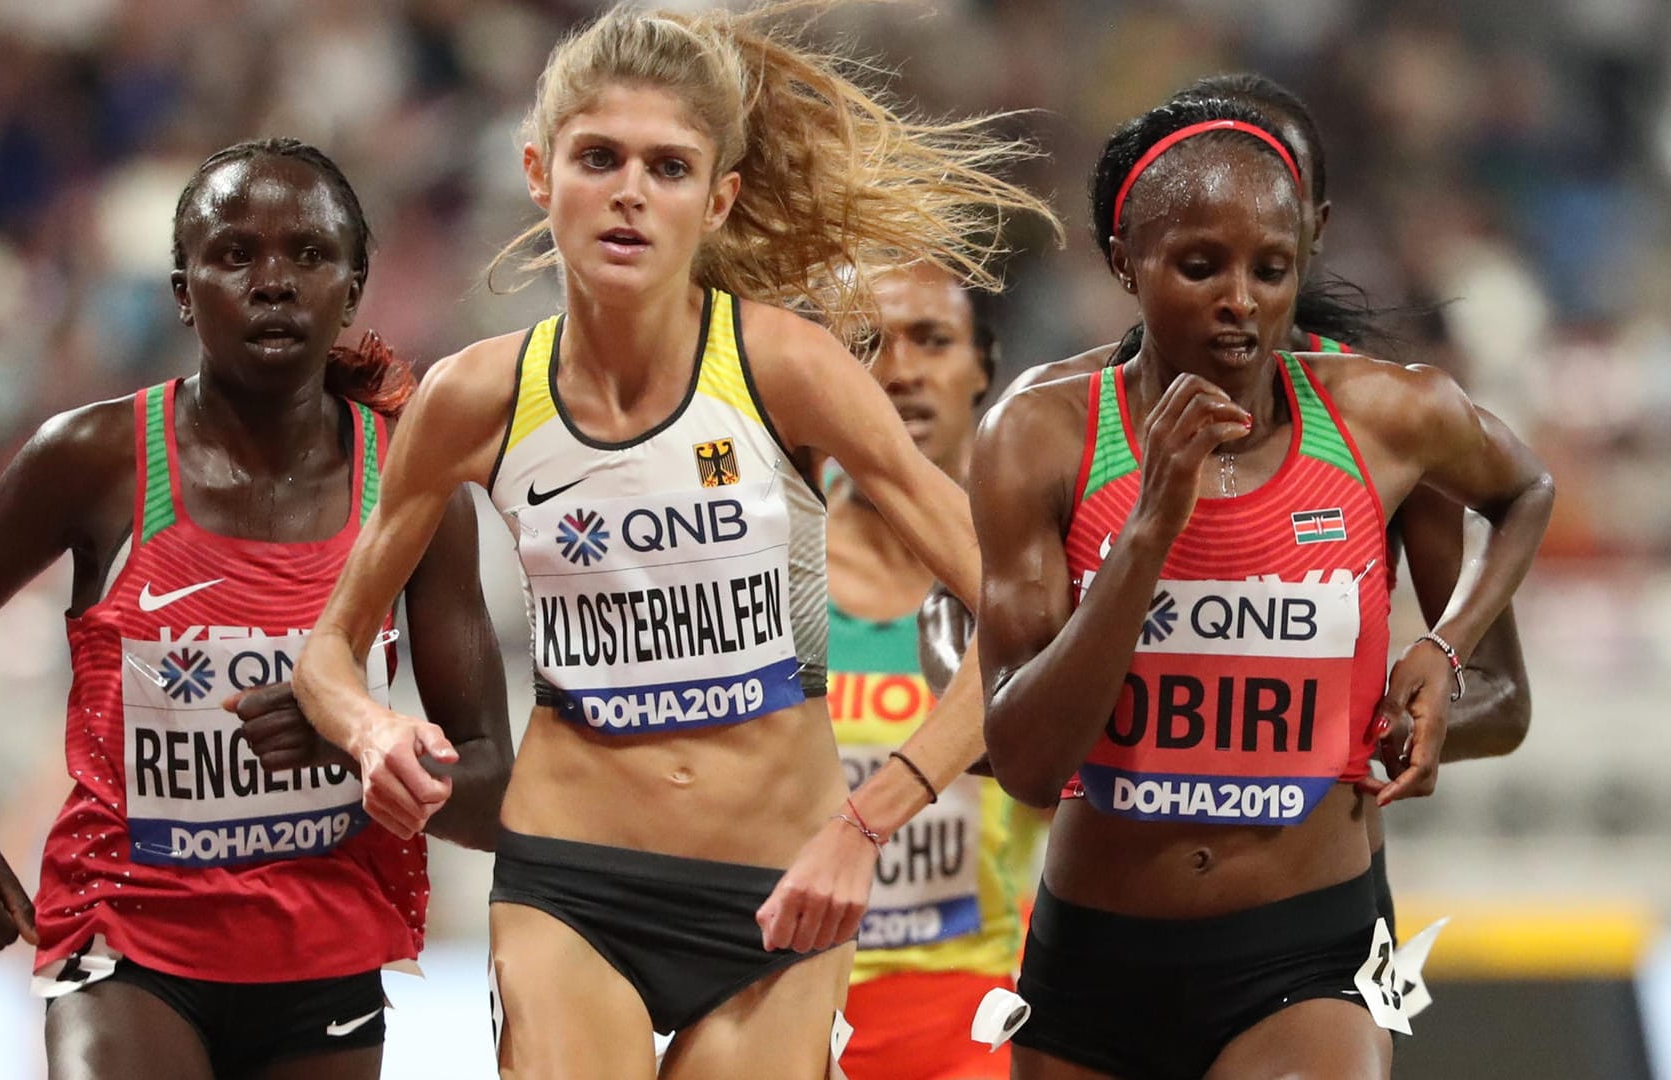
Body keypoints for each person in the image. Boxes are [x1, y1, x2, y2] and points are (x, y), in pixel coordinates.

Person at [294, 6, 1056, 1077]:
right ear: (536, 168)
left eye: (670, 166)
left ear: (718, 197)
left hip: (780, 894)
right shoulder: (475, 395)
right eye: (598, 158)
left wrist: (870, 822)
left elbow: (1020, 618)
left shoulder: (785, 367)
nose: (630, 193)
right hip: (571, 881)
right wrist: (373, 732)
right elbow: (329, 652)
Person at [0, 138, 512, 1080]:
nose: (272, 283)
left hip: (324, 951)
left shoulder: (414, 492)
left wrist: (367, 741)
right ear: (182, 288)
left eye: (307, 254)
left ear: (354, 284)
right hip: (126, 934)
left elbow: (493, 786)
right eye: (232, 254)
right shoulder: (96, 459)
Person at [974, 96, 1553, 1079]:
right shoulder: (1042, 434)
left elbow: (1525, 492)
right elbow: (1026, 765)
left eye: (1270, 269)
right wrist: (1149, 529)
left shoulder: (1388, 417)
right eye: (1201, 267)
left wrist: (1443, 651)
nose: (1239, 299)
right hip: (1097, 955)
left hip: (1312, 949)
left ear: (1305, 255)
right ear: (1125, 262)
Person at [826, 265, 1040, 1080]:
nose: (900, 370)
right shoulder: (767, 566)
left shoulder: (1039, 573)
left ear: (983, 367)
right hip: (794, 1004)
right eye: (868, 344)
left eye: (932, 340)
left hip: (985, 1019)